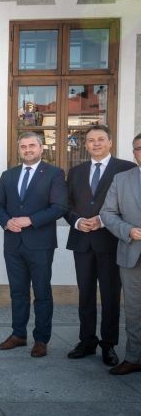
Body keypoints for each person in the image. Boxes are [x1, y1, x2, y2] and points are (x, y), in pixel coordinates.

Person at [65, 125, 135, 367]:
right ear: (85, 145)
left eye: (101, 139)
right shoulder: (75, 171)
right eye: (91, 140)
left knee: (110, 295)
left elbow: (130, 207)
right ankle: (87, 341)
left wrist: (103, 220)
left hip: (111, 242)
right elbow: (67, 205)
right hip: (82, 241)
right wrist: (77, 221)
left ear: (110, 142)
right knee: (85, 295)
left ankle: (109, 345)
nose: (96, 143)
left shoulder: (126, 169)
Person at [0, 132, 68, 358]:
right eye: (23, 146)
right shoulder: (8, 175)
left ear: (41, 148)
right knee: (18, 292)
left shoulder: (54, 174)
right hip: (13, 243)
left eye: (32, 145)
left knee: (42, 292)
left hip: (40, 243)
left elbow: (59, 207)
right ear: (19, 150)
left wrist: (31, 220)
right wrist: (6, 222)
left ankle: (41, 339)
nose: (27, 149)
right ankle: (18, 334)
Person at [100, 132, 141, 375]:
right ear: (133, 152)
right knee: (134, 310)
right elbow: (107, 213)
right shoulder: (122, 179)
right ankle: (134, 357)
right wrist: (128, 230)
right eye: (138, 148)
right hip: (131, 252)